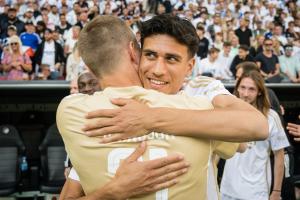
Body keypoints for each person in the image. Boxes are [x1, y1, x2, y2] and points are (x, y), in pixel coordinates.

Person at [57, 15, 217, 199]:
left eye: (170, 59)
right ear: (134, 52)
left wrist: (112, 192)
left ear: (90, 68)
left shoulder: (71, 111)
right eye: (149, 54)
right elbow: (252, 129)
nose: (158, 69)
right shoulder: (199, 106)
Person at [220, 70, 290, 200]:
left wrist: (276, 191)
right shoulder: (228, 114)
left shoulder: (271, 117)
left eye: (251, 89)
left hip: (256, 192)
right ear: (237, 89)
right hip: (227, 190)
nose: (246, 94)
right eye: (243, 88)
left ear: (259, 92)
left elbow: (279, 157)